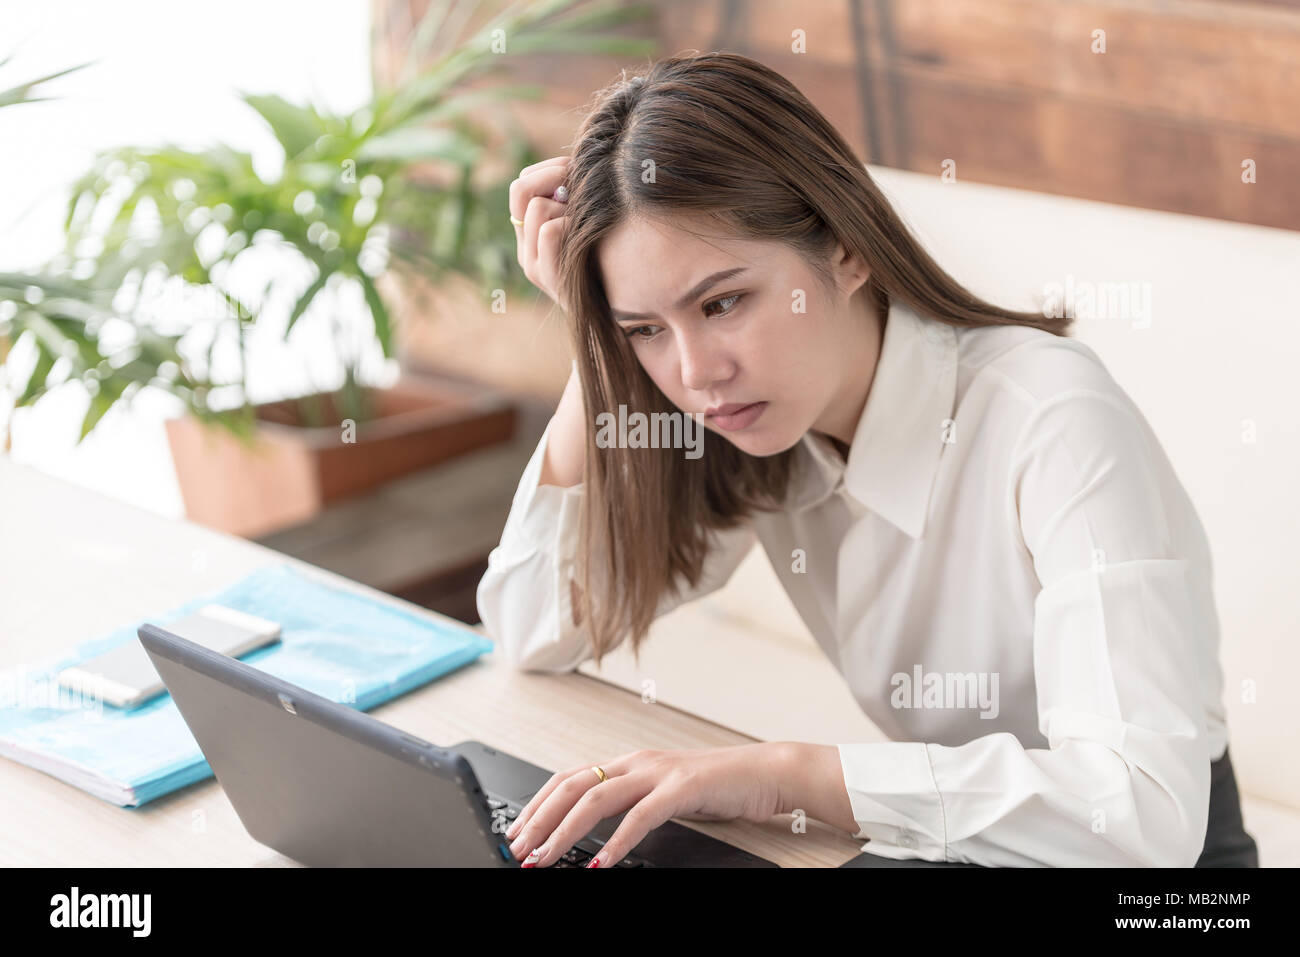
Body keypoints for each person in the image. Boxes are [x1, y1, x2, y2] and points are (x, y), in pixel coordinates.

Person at [477, 51, 1259, 870]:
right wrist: (593, 346)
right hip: (948, 844)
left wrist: (785, 773)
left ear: (846, 248)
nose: (696, 373)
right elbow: (530, 628)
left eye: (723, 302)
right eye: (647, 328)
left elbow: (1139, 815)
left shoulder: (1054, 419)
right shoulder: (754, 431)